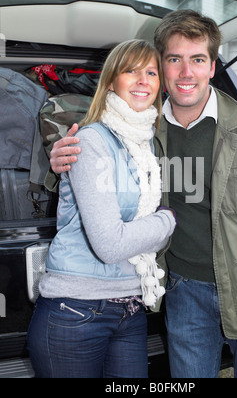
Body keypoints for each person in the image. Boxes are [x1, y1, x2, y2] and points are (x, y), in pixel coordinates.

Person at [47, 10, 237, 378]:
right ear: (162, 66)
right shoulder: (141, 128)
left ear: (212, 66)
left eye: (197, 59)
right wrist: (62, 167)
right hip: (182, 292)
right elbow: (99, 175)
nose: (186, 73)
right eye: (174, 60)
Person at [27, 39, 176, 379]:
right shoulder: (92, 141)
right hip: (76, 311)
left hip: (131, 307)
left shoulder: (146, 142)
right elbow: (110, 245)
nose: (143, 80)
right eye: (131, 71)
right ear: (111, 81)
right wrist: (167, 221)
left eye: (151, 72)